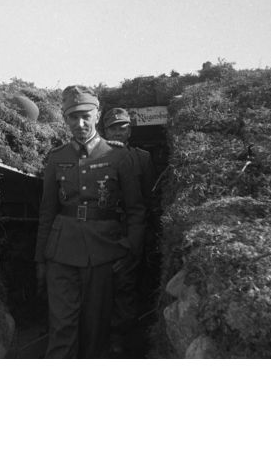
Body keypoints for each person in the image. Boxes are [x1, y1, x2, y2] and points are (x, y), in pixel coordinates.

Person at [34, 86, 145, 359]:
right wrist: (41, 259)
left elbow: (136, 210)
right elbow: (47, 211)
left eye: (86, 116)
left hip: (103, 252)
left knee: (96, 330)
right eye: (73, 118)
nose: (80, 124)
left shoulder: (119, 157)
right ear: (65, 119)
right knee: (61, 327)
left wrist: (131, 248)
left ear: (98, 115)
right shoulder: (57, 158)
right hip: (61, 252)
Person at [102, 107, 155, 356]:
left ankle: (121, 341)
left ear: (130, 130)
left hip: (130, 228)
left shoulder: (142, 158)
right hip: (101, 230)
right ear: (104, 130)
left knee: (125, 285)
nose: (119, 131)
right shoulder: (95, 155)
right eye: (113, 127)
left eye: (123, 126)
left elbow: (147, 199)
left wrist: (138, 236)